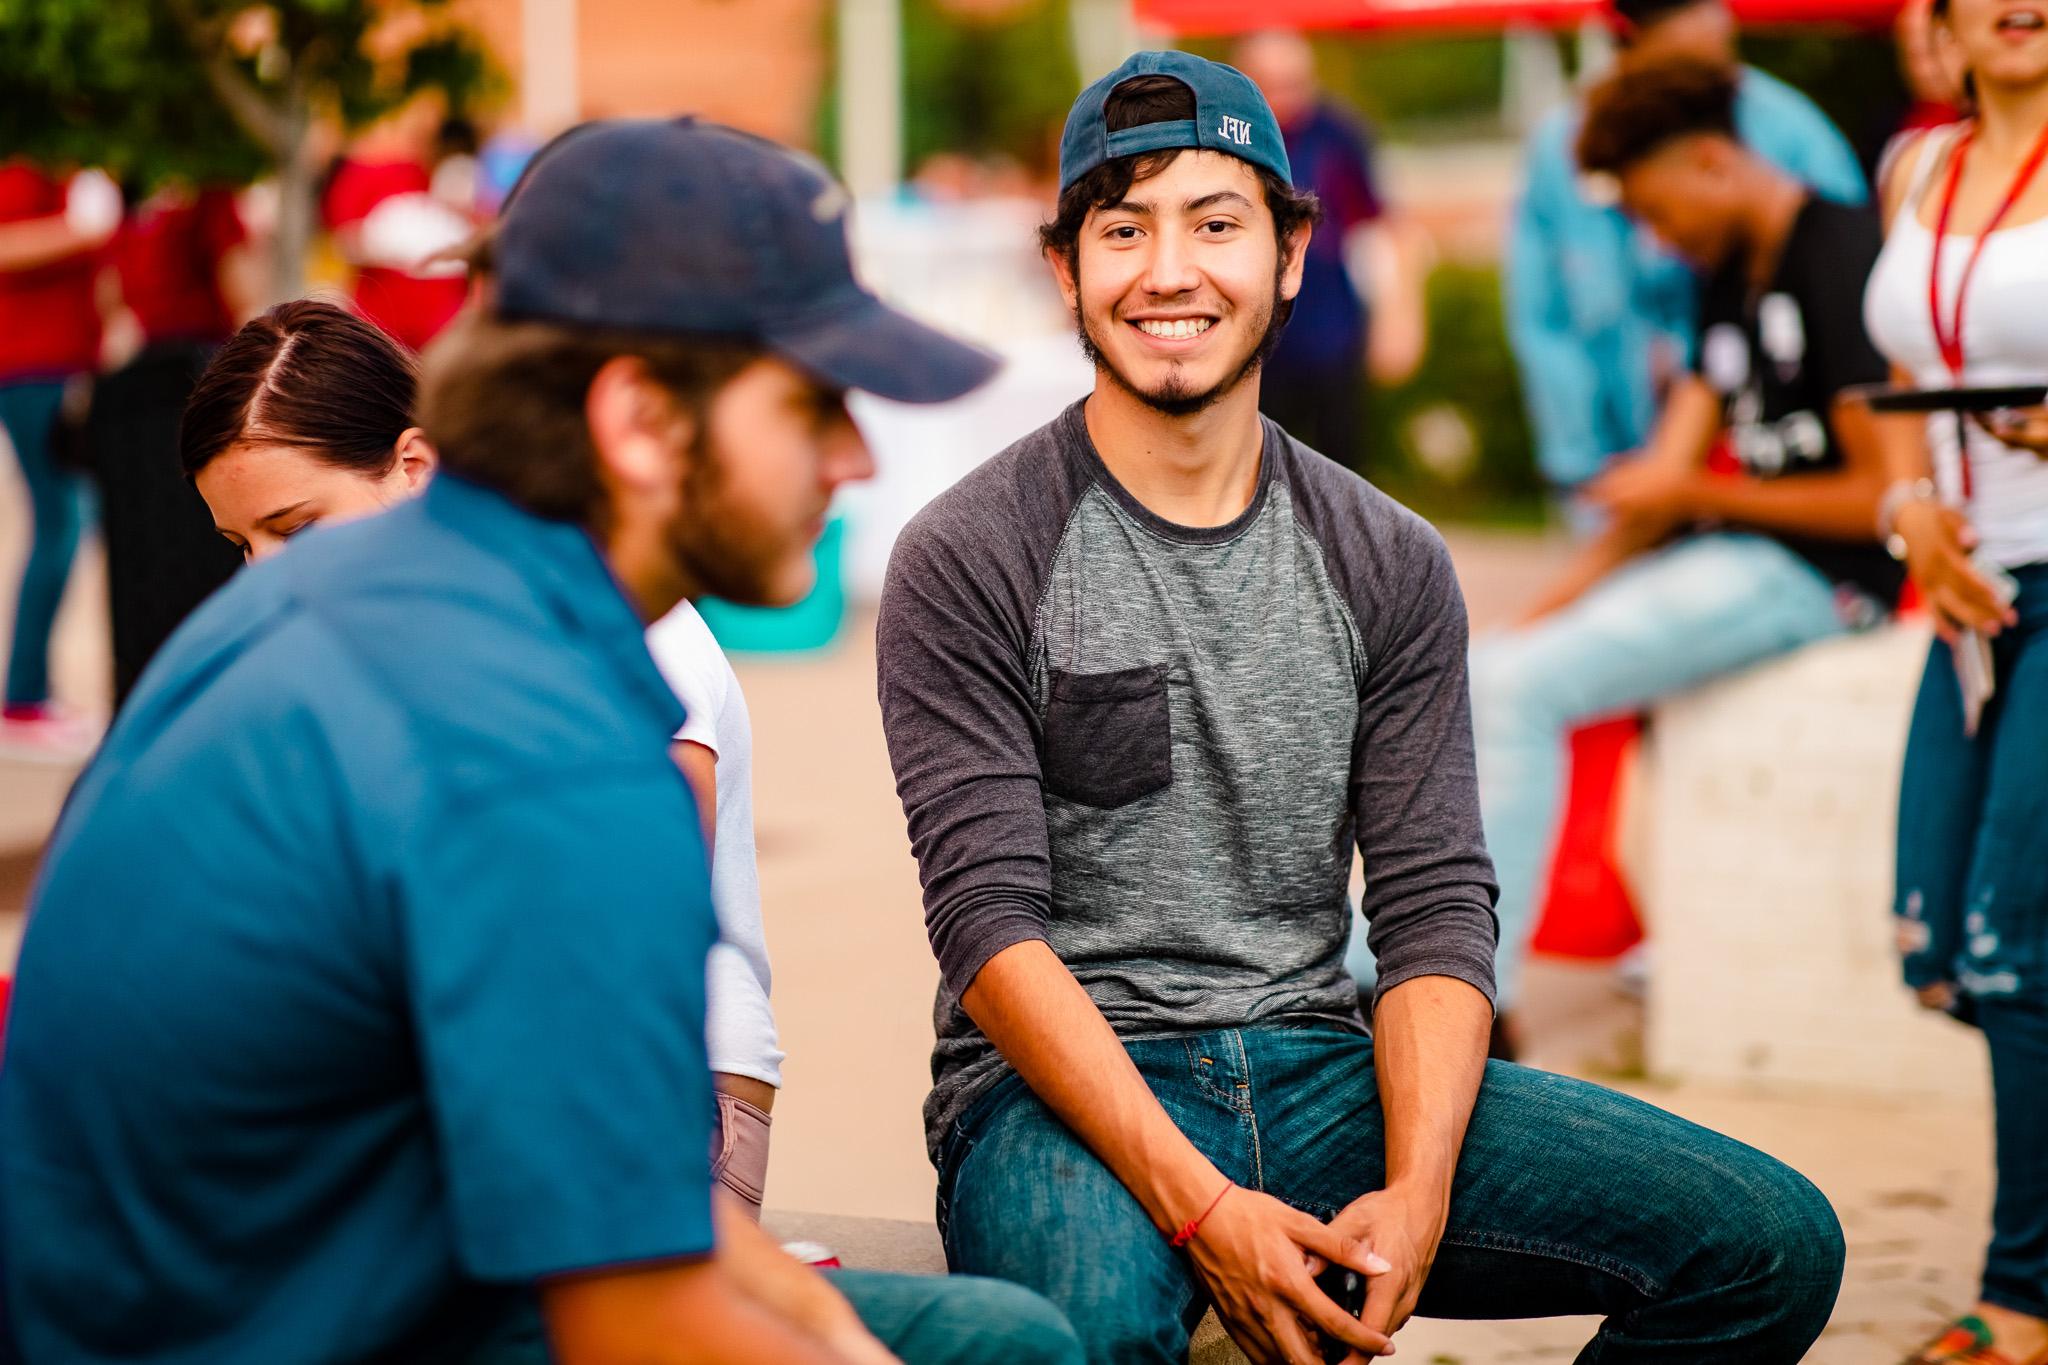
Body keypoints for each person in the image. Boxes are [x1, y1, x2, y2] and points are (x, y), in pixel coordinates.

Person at [0, 118, 1084, 1365]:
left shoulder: (396, 605)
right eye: (812, 400)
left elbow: (596, 1171)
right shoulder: (543, 733)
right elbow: (633, 1322)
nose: (851, 455)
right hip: (298, 1327)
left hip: (299, 1284)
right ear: (636, 422)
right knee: (1014, 1350)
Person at [876, 50, 1845, 1365]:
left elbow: (1437, 905)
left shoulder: (1385, 555)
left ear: (1290, 253)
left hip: (1325, 1066)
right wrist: (1206, 1210)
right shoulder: (972, 550)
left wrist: (1422, 1189)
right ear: (1066, 270)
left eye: (1216, 223)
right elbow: (990, 935)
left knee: (1769, 1241)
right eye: (1123, 229)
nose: (1169, 271)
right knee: (1084, 1333)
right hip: (1063, 1101)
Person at [180, 295, 785, 1217]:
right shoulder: (376, 635)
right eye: (240, 544)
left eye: (296, 528)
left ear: (414, 467)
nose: (267, 574)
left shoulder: (609, 598)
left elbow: (630, 922)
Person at [1475, 56, 1905, 1056]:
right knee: (1481, 669)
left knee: (1516, 692)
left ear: (1710, 160)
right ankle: (1390, 970)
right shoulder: (1724, 274)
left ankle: (1471, 1002)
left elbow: (1878, 495)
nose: (1646, 234)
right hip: (1730, 560)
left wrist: (1691, 493)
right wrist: (1540, 608)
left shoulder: (1836, 254)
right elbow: (1658, 495)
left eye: (1650, 205)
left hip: (1821, 580)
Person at [1865, 0, 2048, 1353]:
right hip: (1966, 598)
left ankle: (2020, 1297)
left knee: (2013, 938)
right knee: (1942, 948)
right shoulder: (1915, 169)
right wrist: (1909, 513)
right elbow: (1897, 376)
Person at [1506, 0, 1867, 498]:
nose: (1662, 242)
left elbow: (1850, 286)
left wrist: (1692, 490)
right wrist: (1580, 459)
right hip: (1633, 450)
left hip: (1778, 464)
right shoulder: (1561, 147)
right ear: (1630, 37)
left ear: (1715, 160)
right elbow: (1544, 318)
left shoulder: (1790, 137)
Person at [88, 181, 258, 702]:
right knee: (205, 544)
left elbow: (111, 299)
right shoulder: (209, 197)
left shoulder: (132, 202)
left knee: (147, 561)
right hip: (198, 380)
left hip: (140, 389)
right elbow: (241, 291)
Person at [1232, 29, 1423, 472]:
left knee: (1340, 459)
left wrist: (1400, 315)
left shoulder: (1339, 134)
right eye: (1270, 84)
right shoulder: (1230, 139)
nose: (1283, 97)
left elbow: (1382, 225)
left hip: (1329, 327)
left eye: (1293, 82)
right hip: (1252, 330)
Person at [0, 160, 118, 760]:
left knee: (67, 522)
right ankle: (21, 696)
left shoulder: (73, 159)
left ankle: (30, 691)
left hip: (67, 364)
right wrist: (80, 228)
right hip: (31, 369)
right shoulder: (26, 158)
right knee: (60, 522)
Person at [321, 94, 473, 352]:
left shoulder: (433, 170)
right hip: (384, 322)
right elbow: (345, 239)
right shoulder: (360, 174)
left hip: (441, 321)